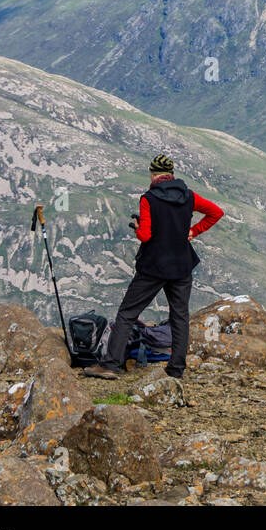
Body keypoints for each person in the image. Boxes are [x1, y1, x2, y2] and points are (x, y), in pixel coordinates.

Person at [84, 154, 223, 380]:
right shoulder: (188, 196)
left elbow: (146, 235)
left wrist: (137, 227)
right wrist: (193, 231)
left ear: (152, 173)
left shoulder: (149, 199)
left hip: (154, 266)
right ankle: (176, 368)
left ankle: (110, 365)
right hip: (181, 265)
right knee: (179, 316)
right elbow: (216, 212)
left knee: (128, 313)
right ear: (172, 174)